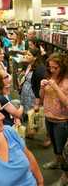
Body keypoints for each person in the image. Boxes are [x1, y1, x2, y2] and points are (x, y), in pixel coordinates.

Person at [40, 53, 68, 185]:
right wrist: (42, 87)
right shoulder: (50, 76)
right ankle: (56, 162)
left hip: (62, 121)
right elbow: (42, 98)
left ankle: (65, 177)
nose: (52, 70)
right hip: (49, 117)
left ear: (62, 67)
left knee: (63, 150)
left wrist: (56, 87)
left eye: (55, 68)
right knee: (56, 147)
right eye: (50, 67)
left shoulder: (66, 81)